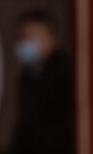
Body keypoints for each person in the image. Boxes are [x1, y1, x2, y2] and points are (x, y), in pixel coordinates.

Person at [10, 9, 74, 154]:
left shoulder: (67, 73)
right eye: (21, 37)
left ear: (51, 36)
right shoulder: (27, 75)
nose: (24, 43)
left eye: (30, 36)